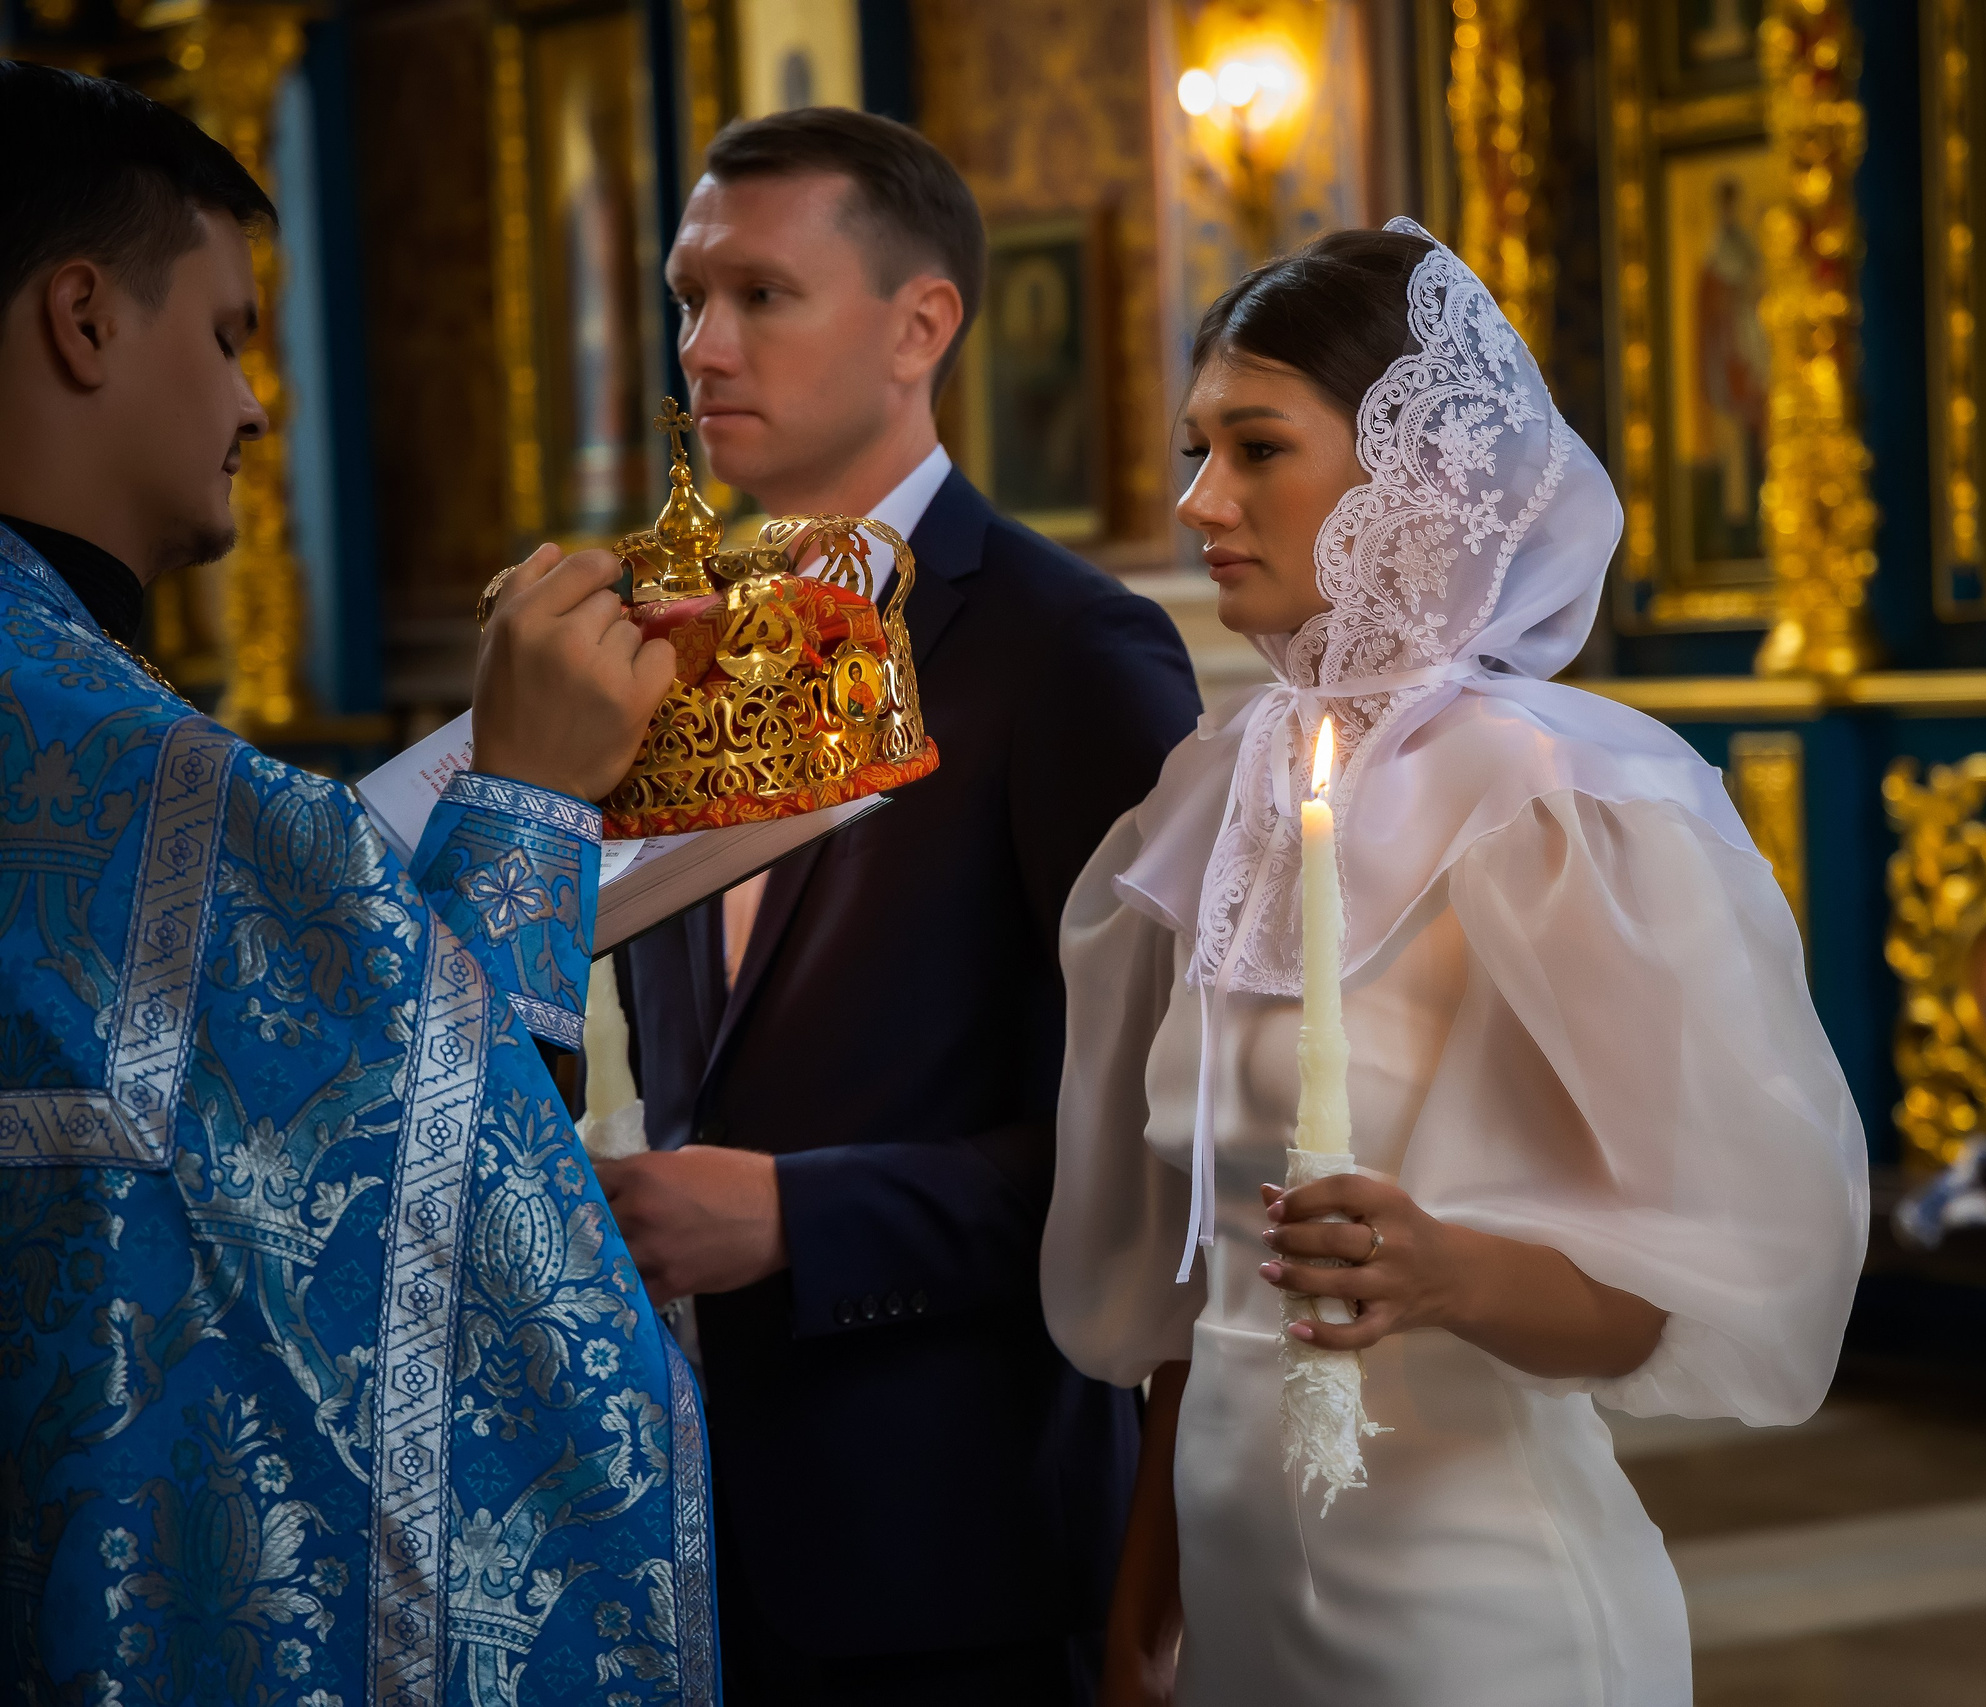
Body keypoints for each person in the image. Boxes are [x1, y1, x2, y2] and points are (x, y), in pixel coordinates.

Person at [1044, 222, 1869, 1707]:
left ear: (1407, 481)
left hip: (1470, 1612)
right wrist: (1146, 1587)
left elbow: (1665, 1285)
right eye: (1195, 447)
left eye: (1254, 448)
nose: (1197, 500)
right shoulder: (1217, 788)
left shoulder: (1548, 799)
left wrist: (1449, 1268)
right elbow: (1203, 1271)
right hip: (1234, 1587)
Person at [0, 62, 713, 1699]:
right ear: (84, 320)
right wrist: (525, 797)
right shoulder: (124, 783)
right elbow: (452, 1241)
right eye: (231, 333)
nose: (255, 404)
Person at [597, 109, 1200, 1705]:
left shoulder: (1073, 652)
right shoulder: (672, 651)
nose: (703, 345)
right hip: (693, 1518)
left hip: (964, 1542)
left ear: (920, 322)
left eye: (762, 297)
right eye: (685, 296)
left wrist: (799, 1213)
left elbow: (1148, 1145)